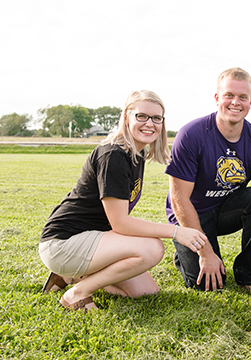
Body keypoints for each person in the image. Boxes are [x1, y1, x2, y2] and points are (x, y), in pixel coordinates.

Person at [39, 90, 207, 312]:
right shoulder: (113, 155)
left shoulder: (136, 154)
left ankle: (73, 276)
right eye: (142, 116)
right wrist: (176, 232)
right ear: (126, 117)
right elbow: (120, 223)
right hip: (63, 242)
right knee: (152, 248)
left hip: (93, 240)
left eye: (157, 118)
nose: (150, 123)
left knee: (146, 292)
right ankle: (77, 293)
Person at [165, 67, 251, 292]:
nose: (236, 102)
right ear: (217, 98)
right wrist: (206, 254)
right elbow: (179, 200)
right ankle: (185, 252)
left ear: (250, 102)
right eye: (229, 95)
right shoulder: (191, 135)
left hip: (226, 210)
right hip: (192, 213)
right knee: (208, 285)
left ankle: (250, 275)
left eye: (242, 97)